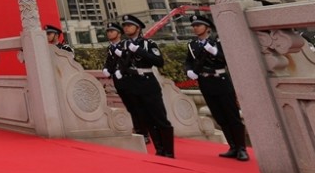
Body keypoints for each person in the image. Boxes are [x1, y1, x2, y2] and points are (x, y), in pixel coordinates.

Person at [184, 14, 249, 161]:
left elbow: (229, 59)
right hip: (205, 83)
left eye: (198, 25)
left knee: (232, 116)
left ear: (207, 27)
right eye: (193, 26)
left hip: (221, 80)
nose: (195, 28)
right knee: (219, 116)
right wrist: (188, 70)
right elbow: (188, 61)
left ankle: (241, 148)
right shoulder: (192, 45)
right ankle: (232, 147)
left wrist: (215, 52)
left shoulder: (218, 41)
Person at [119, 14, 174, 158]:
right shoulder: (123, 45)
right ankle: (159, 149)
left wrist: (138, 51)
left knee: (159, 117)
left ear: (138, 28)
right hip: (133, 83)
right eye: (124, 26)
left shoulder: (148, 44)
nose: (126, 28)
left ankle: (168, 151)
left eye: (129, 25)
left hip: (147, 82)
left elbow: (158, 61)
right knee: (146, 119)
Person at [101, 21, 148, 144]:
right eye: (108, 32)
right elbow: (110, 61)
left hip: (129, 78)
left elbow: (131, 60)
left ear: (119, 33)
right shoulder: (110, 47)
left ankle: (143, 132)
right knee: (130, 105)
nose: (109, 34)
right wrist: (107, 69)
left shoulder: (126, 44)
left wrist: (122, 68)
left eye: (112, 31)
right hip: (118, 80)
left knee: (137, 105)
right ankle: (137, 129)